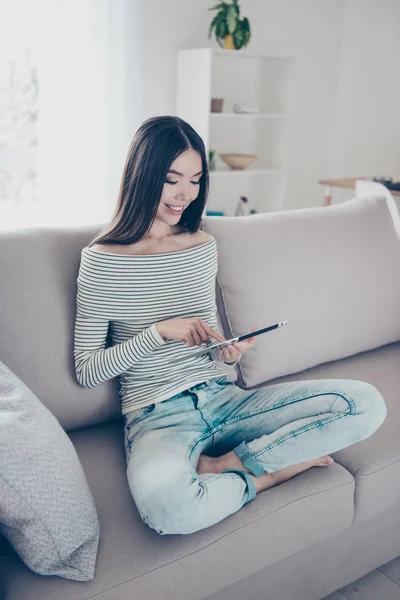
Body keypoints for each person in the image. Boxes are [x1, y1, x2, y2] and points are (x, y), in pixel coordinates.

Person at [74, 115, 387, 536]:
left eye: (196, 179)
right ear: (142, 175)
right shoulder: (102, 260)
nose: (185, 194)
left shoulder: (201, 246)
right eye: (171, 179)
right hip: (156, 417)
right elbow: (87, 369)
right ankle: (268, 476)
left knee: (365, 403)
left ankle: (229, 465)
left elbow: (210, 342)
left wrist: (227, 352)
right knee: (169, 510)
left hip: (224, 398)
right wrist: (158, 332)